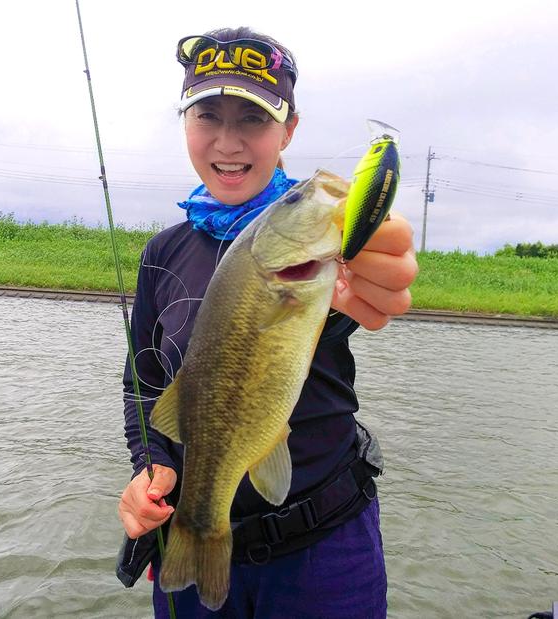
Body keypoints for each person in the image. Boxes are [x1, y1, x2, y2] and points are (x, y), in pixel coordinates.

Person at [117, 27, 418, 618]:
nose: (228, 141)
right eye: (207, 116)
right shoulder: (162, 253)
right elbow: (143, 382)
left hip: (326, 549)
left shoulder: (330, 255)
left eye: (253, 119)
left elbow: (354, 301)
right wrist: (150, 466)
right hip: (191, 525)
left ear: (288, 131)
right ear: (185, 124)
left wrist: (373, 270)